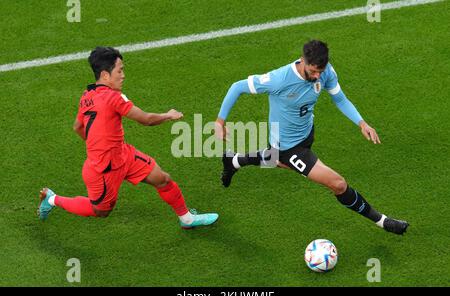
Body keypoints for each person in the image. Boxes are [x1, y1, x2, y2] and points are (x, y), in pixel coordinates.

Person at [215, 40, 408, 234]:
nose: (317, 77)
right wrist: (220, 122)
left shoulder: (326, 72)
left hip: (307, 133)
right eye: (313, 71)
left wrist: (362, 123)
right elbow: (236, 87)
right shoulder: (279, 79)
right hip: (288, 147)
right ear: (302, 61)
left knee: (277, 160)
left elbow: (339, 98)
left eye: (320, 72)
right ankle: (383, 221)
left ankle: (234, 160)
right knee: (338, 184)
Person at [38, 46, 218, 229]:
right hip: (104, 169)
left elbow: (77, 127)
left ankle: (187, 219)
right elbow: (146, 120)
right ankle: (52, 199)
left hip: (123, 155)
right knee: (101, 211)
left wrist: (99, 144)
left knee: (162, 178)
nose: (123, 75)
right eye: (119, 70)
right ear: (105, 75)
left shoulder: (87, 95)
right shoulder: (113, 97)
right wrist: (168, 115)